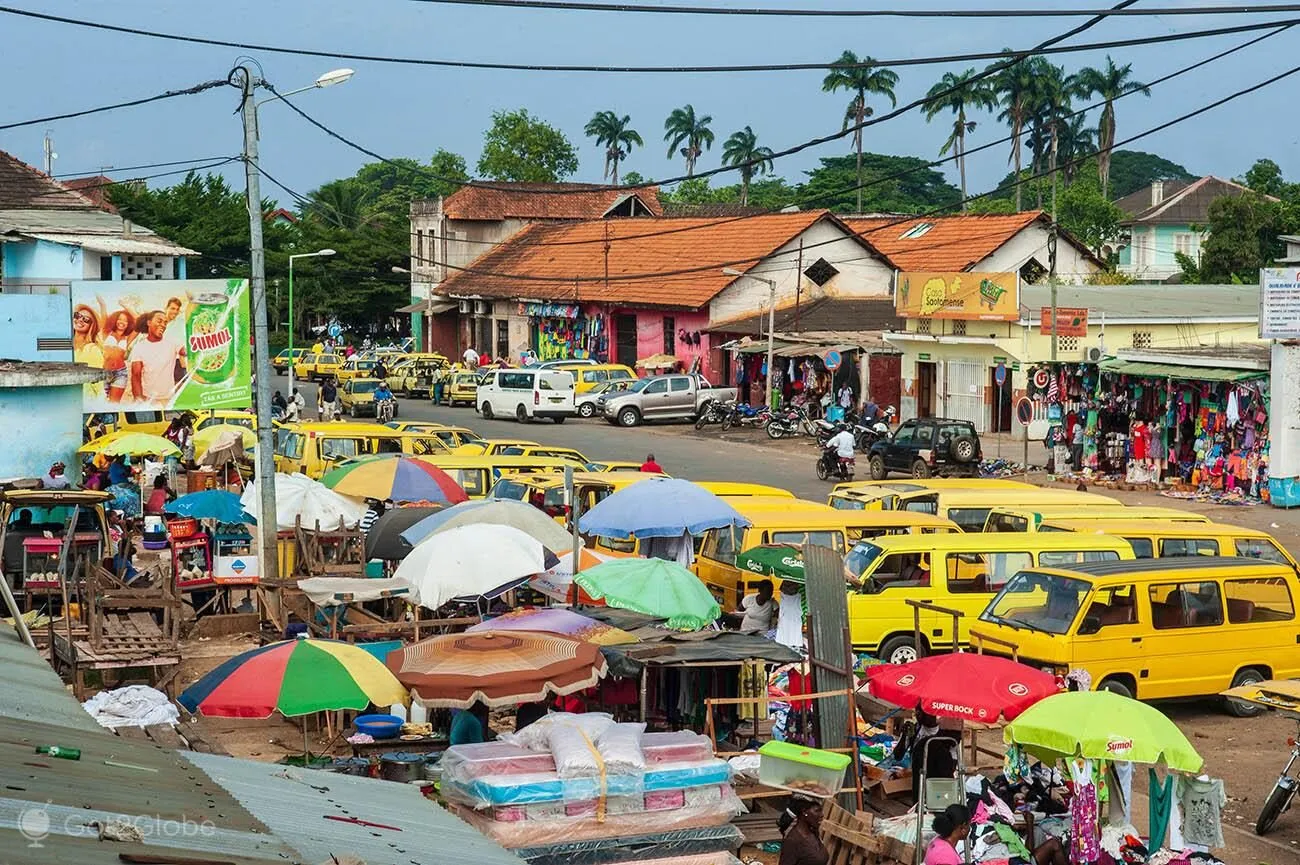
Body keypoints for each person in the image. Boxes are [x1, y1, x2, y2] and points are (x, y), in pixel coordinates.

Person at [893, 707, 956, 801]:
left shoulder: (946, 734)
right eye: (917, 711)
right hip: (918, 778)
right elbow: (897, 756)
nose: (917, 715)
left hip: (938, 781)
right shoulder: (915, 729)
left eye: (922, 712)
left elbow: (953, 764)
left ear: (933, 712)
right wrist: (904, 736)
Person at [129, 310, 184, 404]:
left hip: (168, 398)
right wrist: (139, 400)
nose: (163, 325)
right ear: (149, 323)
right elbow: (135, 376)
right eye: (159, 321)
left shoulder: (172, 342)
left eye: (165, 323)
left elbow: (186, 351)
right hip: (148, 399)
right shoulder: (139, 347)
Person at [777, 797, 827, 865]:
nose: (822, 815)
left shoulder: (813, 832)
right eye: (817, 811)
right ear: (804, 812)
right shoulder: (792, 841)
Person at [101, 309, 137, 403]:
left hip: (120, 373)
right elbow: (103, 310)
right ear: (114, 320)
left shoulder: (128, 338)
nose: (122, 322)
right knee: (100, 402)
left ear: (128, 324)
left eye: (125, 320)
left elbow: (137, 320)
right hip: (103, 372)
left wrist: (125, 306)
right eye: (120, 319)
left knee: (114, 404)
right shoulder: (106, 332)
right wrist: (102, 303)